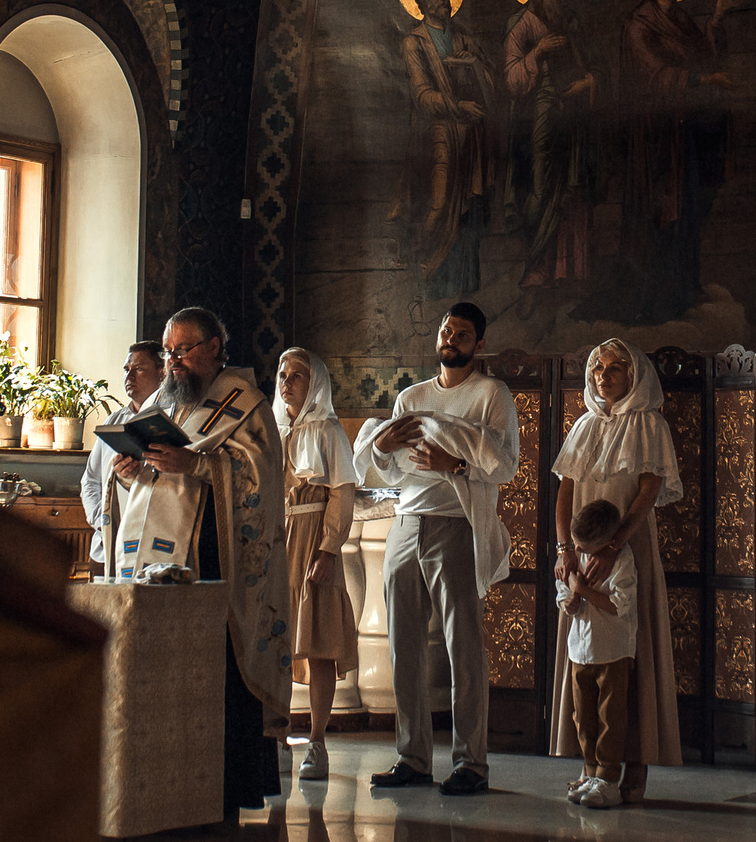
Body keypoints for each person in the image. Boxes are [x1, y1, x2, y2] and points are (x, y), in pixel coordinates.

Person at [354, 302, 520, 796]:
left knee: (461, 646)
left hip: (456, 525)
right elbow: (393, 470)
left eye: (463, 333)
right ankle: (413, 757)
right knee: (402, 644)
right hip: (406, 522)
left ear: (479, 343)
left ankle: (471, 762)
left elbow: (505, 464)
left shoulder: (491, 394)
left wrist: (457, 463)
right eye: (447, 330)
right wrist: (382, 450)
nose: (452, 338)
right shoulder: (413, 396)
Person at [134, 306, 294, 811]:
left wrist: (199, 463)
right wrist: (133, 471)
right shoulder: (169, 403)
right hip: (172, 559)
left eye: (182, 350)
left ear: (214, 348)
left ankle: (229, 787)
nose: (173, 361)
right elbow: (161, 480)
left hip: (224, 564)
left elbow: (263, 478)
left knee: (224, 673)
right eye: (168, 351)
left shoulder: (245, 403)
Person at [548, 338, 682, 805]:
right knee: (588, 655)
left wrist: (615, 544)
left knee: (633, 652)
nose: (603, 376)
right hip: (583, 550)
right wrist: (566, 548)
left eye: (615, 368)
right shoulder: (584, 426)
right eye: (597, 369)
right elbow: (566, 490)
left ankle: (635, 767)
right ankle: (591, 765)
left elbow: (648, 490)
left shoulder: (649, 423)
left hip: (627, 547)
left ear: (635, 375)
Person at [600, 0, 740, 325]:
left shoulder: (681, 20)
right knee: (663, 210)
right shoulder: (638, 23)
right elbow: (653, 74)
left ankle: (684, 286)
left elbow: (704, 58)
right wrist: (702, 79)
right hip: (655, 139)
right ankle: (661, 292)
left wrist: (714, 22)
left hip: (685, 132)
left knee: (690, 207)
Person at [274, 346, 358, 783]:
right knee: (277, 644)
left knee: (319, 640)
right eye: (283, 374)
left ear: (316, 384)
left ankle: (318, 741)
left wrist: (328, 548)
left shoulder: (328, 431)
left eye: (298, 375)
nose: (287, 382)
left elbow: (341, 493)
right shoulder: (272, 429)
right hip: (276, 543)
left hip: (313, 543)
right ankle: (277, 734)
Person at [397, 0, 498, 300]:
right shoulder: (414, 43)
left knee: (469, 210)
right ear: (419, 0)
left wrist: (477, 68)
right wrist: (458, 107)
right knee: (439, 206)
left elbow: (493, 86)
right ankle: (426, 271)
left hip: (471, 139)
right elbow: (422, 95)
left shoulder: (464, 38)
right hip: (437, 137)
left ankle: (464, 283)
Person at [501, 0, 599, 290]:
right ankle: (537, 264)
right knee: (539, 187)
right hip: (535, 120)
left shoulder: (570, 20)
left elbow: (595, 67)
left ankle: (571, 268)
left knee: (572, 187)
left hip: (572, 116)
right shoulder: (519, 25)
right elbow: (512, 79)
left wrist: (588, 82)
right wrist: (538, 53)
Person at [555, 498, 638, 810]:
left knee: (609, 717)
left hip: (613, 649)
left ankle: (607, 778)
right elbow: (563, 591)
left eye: (588, 548)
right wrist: (570, 602)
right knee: (583, 717)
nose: (582, 553)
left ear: (607, 541)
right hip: (580, 648)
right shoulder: (574, 553)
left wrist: (583, 590)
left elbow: (619, 604)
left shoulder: (622, 559)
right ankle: (589, 772)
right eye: (578, 547)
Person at [79, 339, 164, 568]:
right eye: (127, 370)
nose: (129, 376)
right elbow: (90, 479)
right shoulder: (114, 421)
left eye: (138, 369)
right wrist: (100, 520)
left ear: (162, 373)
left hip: (148, 548)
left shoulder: (169, 422)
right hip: (104, 547)